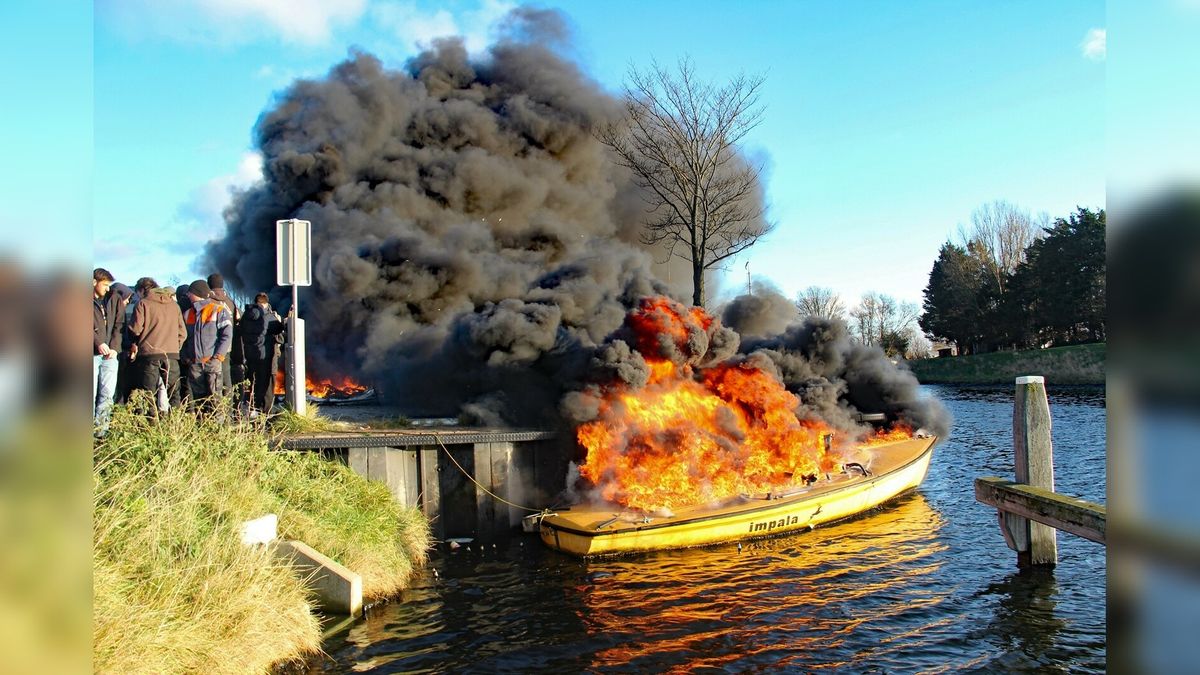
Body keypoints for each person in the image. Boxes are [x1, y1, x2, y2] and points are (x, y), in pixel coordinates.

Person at [127, 277, 186, 412]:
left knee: (149, 394)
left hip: (149, 355)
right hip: (171, 355)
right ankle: (175, 426)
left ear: (142, 290)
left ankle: (152, 426)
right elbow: (183, 333)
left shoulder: (143, 304)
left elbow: (135, 329)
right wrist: (175, 347)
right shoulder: (174, 305)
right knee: (173, 392)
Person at [181, 279, 233, 410]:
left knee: (216, 401)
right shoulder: (187, 314)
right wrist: (186, 357)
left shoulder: (219, 311)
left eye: (190, 293)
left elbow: (227, 335)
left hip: (212, 363)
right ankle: (203, 428)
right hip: (194, 364)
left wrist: (218, 357)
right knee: (200, 403)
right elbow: (183, 338)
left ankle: (218, 429)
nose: (188, 295)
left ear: (196, 293)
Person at [239, 292, 283, 416]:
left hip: (249, 355)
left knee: (253, 381)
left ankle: (253, 407)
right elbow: (279, 330)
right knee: (266, 383)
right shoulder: (268, 317)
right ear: (265, 304)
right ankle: (265, 411)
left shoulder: (245, 316)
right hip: (264, 356)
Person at [92, 268, 124, 429]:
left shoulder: (114, 299)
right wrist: (98, 342)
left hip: (110, 355)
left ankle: (100, 432)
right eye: (104, 284)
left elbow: (119, 325)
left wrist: (114, 348)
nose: (107, 288)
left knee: (107, 395)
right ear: (94, 282)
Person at [206, 274, 243, 395]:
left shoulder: (208, 302)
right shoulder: (230, 302)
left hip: (211, 347)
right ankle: (227, 409)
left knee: (212, 379)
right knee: (227, 379)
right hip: (228, 346)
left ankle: (215, 409)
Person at [112, 282, 136, 405]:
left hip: (120, 352)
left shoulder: (118, 311)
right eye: (127, 299)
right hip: (116, 352)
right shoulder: (117, 313)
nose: (128, 302)